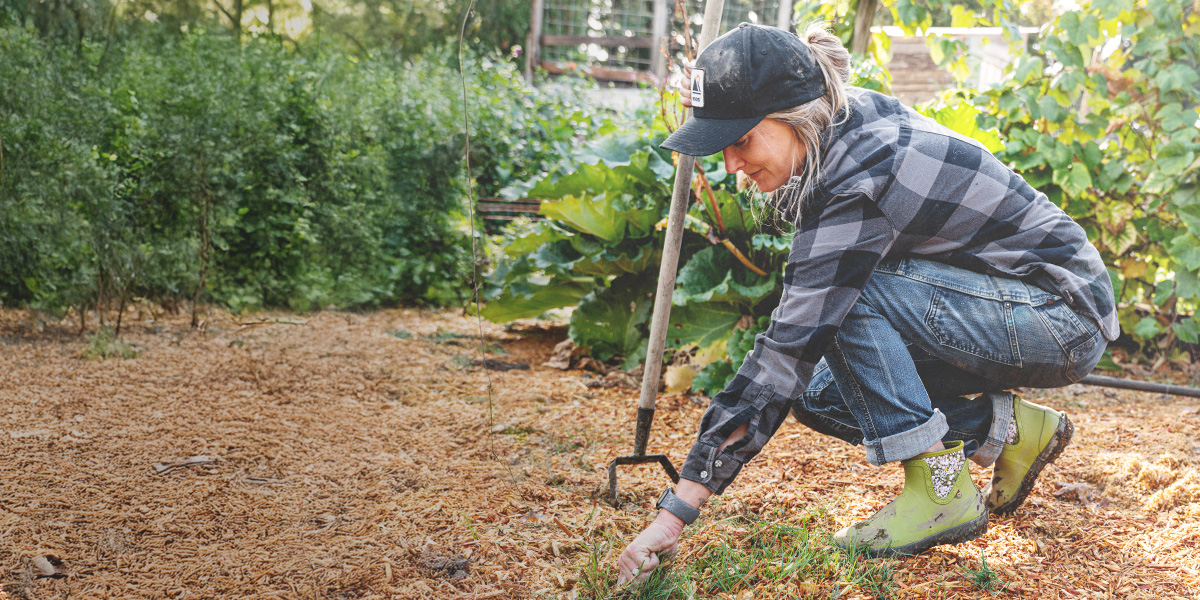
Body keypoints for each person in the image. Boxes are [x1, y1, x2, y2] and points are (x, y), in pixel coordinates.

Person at [616, 22, 1117, 584]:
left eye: (742, 140)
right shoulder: (835, 118)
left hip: (1058, 314)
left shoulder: (857, 174)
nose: (731, 164)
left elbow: (787, 346)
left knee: (842, 294)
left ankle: (939, 488)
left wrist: (678, 510)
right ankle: (1006, 428)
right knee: (821, 395)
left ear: (792, 116)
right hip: (1003, 305)